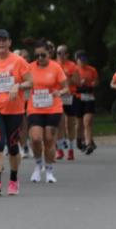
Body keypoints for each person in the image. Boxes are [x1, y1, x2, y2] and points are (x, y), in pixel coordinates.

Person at [0, 29, 31, 196]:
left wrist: (18, 86)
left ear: (9, 42)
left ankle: (13, 179)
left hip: (15, 110)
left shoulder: (19, 61)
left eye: (4, 40)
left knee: (12, 147)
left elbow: (30, 82)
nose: (1, 43)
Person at [26, 42, 68, 185]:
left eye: (43, 55)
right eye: (37, 55)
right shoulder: (30, 67)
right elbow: (23, 82)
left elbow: (65, 87)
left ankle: (49, 171)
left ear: (49, 54)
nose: (40, 58)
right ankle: (38, 166)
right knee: (36, 139)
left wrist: (59, 92)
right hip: (35, 108)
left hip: (52, 108)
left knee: (49, 139)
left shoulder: (56, 67)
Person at [56, 44, 81, 161]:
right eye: (58, 53)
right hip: (58, 97)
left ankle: (71, 150)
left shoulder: (73, 66)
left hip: (70, 96)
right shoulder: (54, 65)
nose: (60, 55)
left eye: (62, 53)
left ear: (67, 54)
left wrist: (67, 78)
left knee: (70, 125)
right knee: (58, 123)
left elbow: (78, 82)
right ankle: (60, 150)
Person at [74, 51, 99, 154]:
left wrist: (93, 83)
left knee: (87, 121)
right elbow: (71, 83)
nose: (84, 63)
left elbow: (97, 81)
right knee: (79, 123)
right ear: (77, 60)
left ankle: (89, 144)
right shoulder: (74, 70)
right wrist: (79, 83)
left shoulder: (92, 70)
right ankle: (79, 140)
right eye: (81, 60)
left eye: (85, 60)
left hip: (89, 97)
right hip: (78, 97)